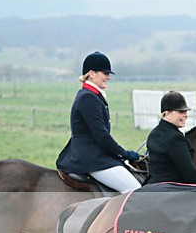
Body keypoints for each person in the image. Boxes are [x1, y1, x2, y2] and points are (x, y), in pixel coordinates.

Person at [56, 51, 143, 192]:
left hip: (95, 154)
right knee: (134, 189)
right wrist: (123, 154)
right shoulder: (88, 98)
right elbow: (101, 136)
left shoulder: (92, 96)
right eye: (104, 73)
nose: (108, 77)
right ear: (91, 73)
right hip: (91, 159)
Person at [145, 91, 196, 184]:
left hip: (152, 186)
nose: (186, 115)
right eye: (181, 111)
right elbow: (189, 173)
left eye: (186, 111)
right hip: (171, 189)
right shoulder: (176, 139)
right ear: (166, 114)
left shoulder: (153, 133)